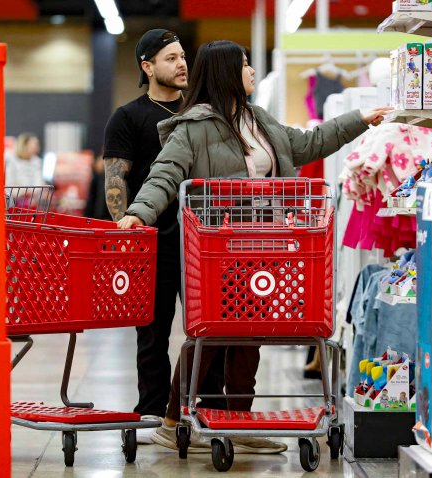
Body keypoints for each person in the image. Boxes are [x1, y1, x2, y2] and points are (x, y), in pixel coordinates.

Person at [117, 40, 391, 453]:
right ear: (227, 72)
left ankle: (238, 420)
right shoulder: (193, 127)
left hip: (266, 244)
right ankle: (173, 419)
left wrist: (359, 119)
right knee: (212, 333)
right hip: (216, 249)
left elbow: (308, 144)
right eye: (245, 65)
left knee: (252, 332)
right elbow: (164, 174)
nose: (251, 72)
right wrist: (140, 212)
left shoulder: (257, 119)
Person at [103, 29, 227, 450]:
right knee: (153, 332)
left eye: (183, 57)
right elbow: (115, 181)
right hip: (152, 242)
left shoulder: (202, 114)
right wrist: (128, 234)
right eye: (170, 57)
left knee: (208, 329)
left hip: (202, 241)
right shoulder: (129, 116)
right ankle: (154, 410)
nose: (181, 64)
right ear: (147, 66)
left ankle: (207, 407)